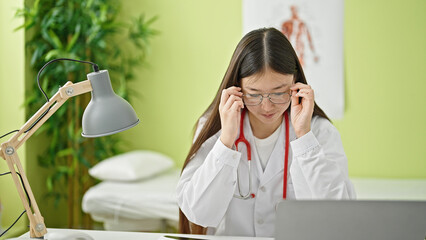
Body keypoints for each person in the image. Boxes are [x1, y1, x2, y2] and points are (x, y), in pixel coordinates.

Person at [176, 27, 355, 237]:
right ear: (237, 87)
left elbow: (338, 214)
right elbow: (197, 212)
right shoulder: (215, 128)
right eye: (254, 94)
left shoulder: (318, 130)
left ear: (295, 82)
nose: (267, 107)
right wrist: (225, 143)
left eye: (279, 92)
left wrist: (305, 139)